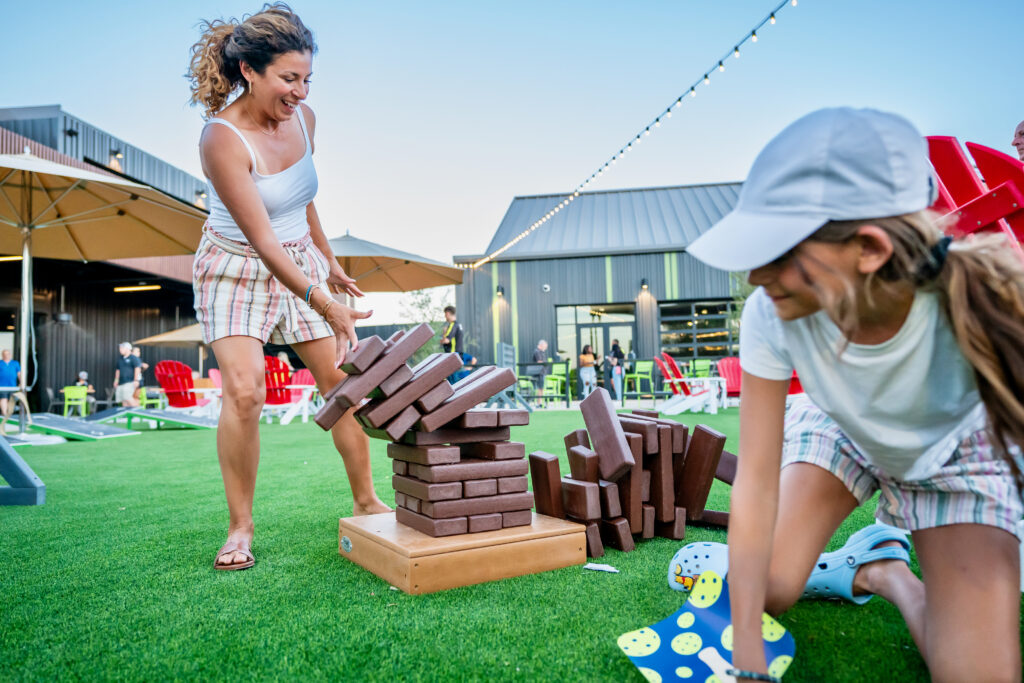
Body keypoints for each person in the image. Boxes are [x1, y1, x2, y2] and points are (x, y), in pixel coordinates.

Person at [686, 107, 1024, 681]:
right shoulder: (772, 310)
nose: (753, 275)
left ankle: (891, 574)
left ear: (868, 250)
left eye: (778, 251)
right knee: (765, 587)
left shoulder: (979, 307)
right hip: (841, 422)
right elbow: (757, 480)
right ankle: (866, 567)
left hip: (955, 452)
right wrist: (744, 635)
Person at [188, 3, 389, 571]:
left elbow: (300, 197)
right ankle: (240, 526)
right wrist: (325, 301)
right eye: (288, 78)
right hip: (234, 267)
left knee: (339, 384)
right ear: (250, 71)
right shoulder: (221, 139)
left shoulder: (306, 120)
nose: (300, 92)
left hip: (298, 259)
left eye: (306, 79)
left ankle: (367, 500)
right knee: (247, 391)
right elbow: (263, 241)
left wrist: (327, 260)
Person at [113, 342, 141, 408]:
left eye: (122, 348)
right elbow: (118, 370)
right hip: (121, 382)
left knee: (127, 397)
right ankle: (126, 415)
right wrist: (116, 380)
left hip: (130, 382)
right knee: (123, 399)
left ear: (127, 349)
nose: (120, 350)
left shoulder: (133, 358)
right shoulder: (120, 359)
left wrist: (136, 380)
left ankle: (139, 412)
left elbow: (137, 369)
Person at [0, 349, 21, 427]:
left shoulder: (15, 363)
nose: (6, 355)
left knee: (11, 400)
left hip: (12, 385)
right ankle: (4, 414)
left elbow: (19, 373)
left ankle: (8, 414)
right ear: (2, 355)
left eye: (8, 354)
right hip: (2, 385)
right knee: (3, 399)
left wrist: (21, 382)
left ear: (10, 355)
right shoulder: (0, 363)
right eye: (4, 354)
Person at [526, 339, 550, 405]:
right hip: (538, 373)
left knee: (541, 388)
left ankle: (540, 402)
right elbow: (539, 362)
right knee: (539, 388)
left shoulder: (541, 352)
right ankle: (539, 403)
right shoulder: (537, 351)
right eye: (545, 346)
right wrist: (547, 363)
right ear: (541, 345)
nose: (545, 348)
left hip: (541, 373)